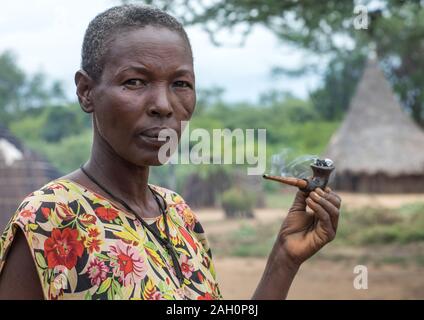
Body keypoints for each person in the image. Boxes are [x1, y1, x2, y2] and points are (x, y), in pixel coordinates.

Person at [0, 4, 341, 300]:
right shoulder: (49, 219)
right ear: (86, 91)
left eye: (180, 84)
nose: (164, 106)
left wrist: (284, 258)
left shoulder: (179, 216)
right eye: (135, 82)